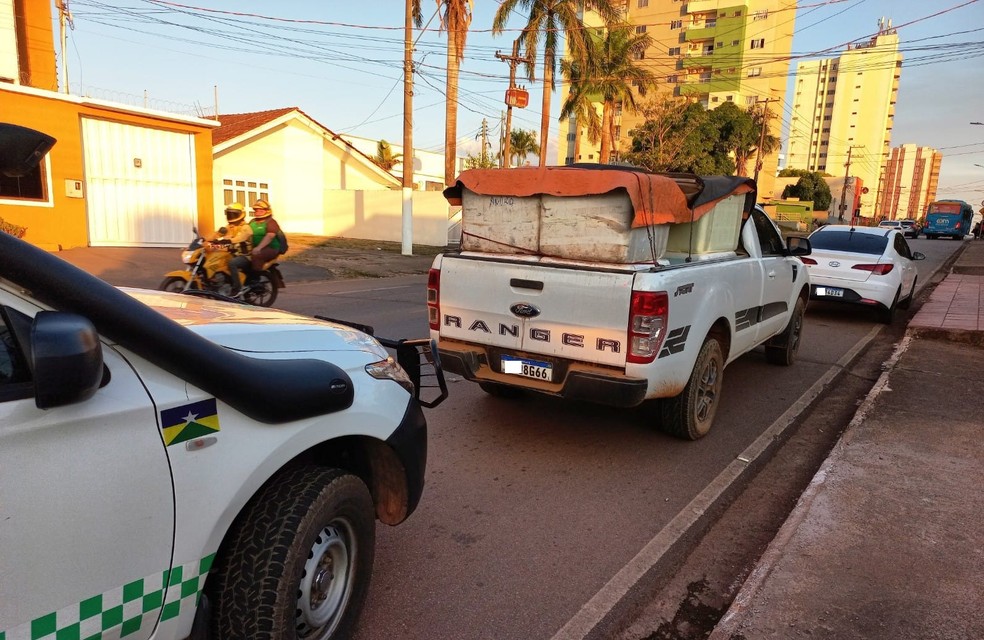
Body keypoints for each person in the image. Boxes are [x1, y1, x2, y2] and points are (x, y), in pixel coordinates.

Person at [240, 199, 283, 285]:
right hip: (254, 247)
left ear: (267, 211)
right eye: (256, 210)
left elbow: (270, 236)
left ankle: (255, 279)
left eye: (261, 210)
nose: (258, 212)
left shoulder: (271, 222)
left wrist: (259, 248)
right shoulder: (252, 222)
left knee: (256, 254)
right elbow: (244, 232)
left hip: (271, 248)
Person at [215, 203, 253, 295]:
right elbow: (218, 233)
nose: (231, 216)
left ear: (241, 214)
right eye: (229, 214)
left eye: (234, 214)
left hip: (245, 256)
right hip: (233, 253)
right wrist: (206, 239)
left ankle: (237, 288)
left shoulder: (246, 228)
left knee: (232, 263)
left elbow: (241, 238)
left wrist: (227, 240)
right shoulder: (230, 226)